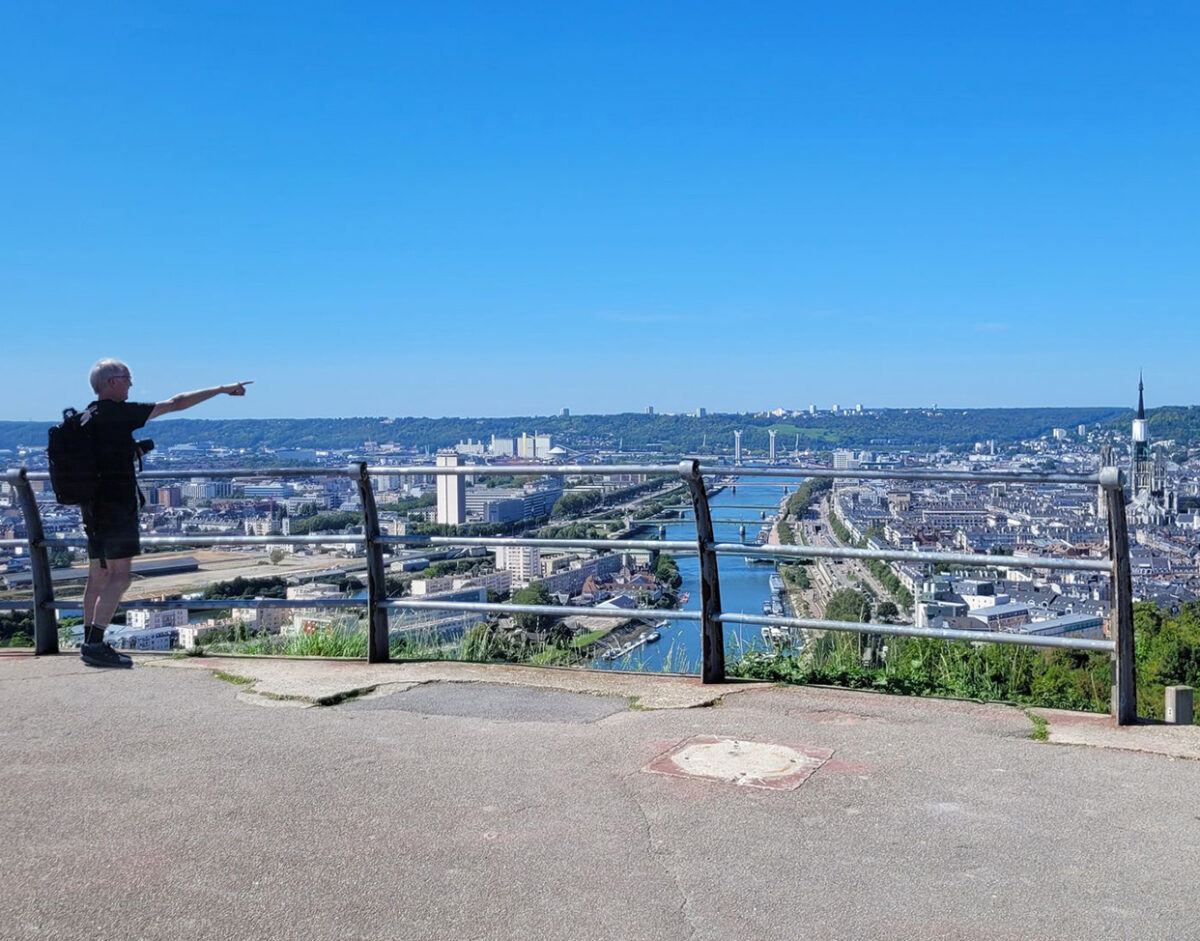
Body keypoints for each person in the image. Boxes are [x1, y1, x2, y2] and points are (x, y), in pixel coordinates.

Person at [78, 359, 251, 668]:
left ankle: (87, 642)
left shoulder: (84, 417)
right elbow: (176, 403)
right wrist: (222, 389)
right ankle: (95, 644)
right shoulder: (118, 414)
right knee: (120, 577)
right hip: (116, 506)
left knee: (97, 576)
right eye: (127, 378)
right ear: (112, 382)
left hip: (91, 506)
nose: (131, 384)